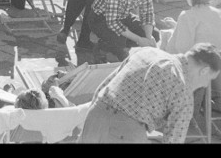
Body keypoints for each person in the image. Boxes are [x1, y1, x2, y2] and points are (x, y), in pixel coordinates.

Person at [79, 43, 221, 143]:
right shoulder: (183, 92)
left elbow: (105, 84)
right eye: (209, 79)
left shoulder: (147, 52)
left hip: (96, 114)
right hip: (126, 132)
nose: (206, 85)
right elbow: (173, 139)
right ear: (204, 71)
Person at [161, 0, 221, 110]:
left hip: (198, 66)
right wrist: (177, 27)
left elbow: (181, 48)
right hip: (216, 63)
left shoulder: (187, 16)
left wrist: (167, 41)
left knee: (165, 44)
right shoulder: (218, 13)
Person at [89, 0, 157, 61]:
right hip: (100, 19)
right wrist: (139, 40)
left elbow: (147, 14)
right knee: (120, 42)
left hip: (123, 15)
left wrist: (148, 38)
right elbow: (112, 22)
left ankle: (118, 46)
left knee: (155, 34)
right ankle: (101, 46)